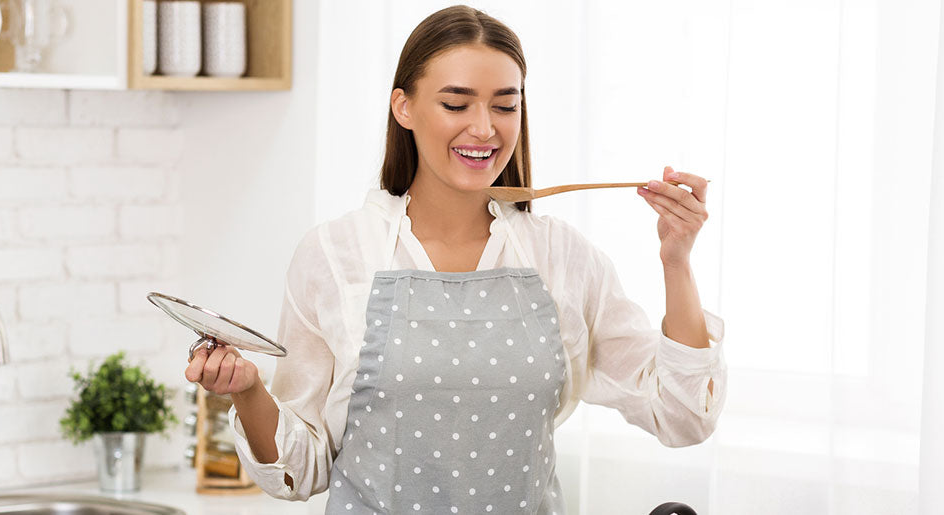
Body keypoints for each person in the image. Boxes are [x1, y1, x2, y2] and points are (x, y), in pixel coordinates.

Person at [184, 5, 726, 513]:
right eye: (456, 104)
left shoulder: (561, 257)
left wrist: (676, 260)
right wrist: (249, 389)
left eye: (505, 105)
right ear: (404, 108)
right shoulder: (336, 255)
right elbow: (300, 472)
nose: (485, 128)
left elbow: (681, 416)